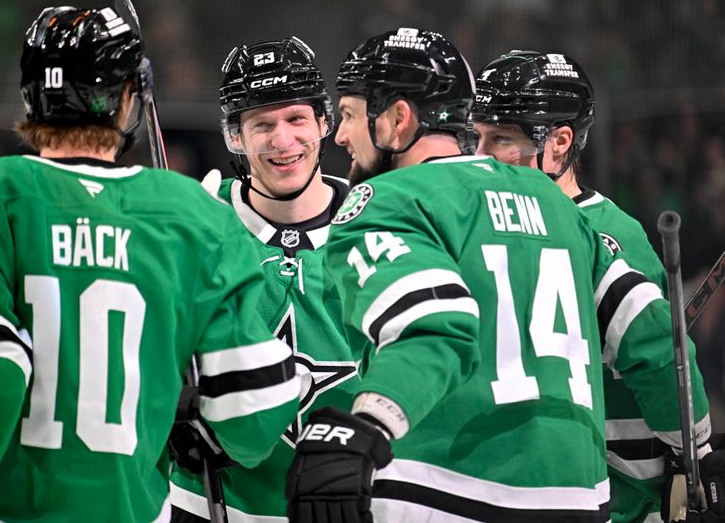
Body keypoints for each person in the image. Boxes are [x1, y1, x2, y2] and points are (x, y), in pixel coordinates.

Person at [284, 28, 713, 523]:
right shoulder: (555, 202)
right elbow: (654, 337)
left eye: (352, 115)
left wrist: (363, 431)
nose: (339, 135)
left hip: (441, 487)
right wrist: (697, 451)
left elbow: (433, 327)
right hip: (579, 496)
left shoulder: (385, 200)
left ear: (398, 120)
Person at [0, 7, 299, 522]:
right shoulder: (193, 212)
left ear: (32, 94)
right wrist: (201, 425)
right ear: (127, 99)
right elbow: (257, 406)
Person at [469, 50, 722, 523]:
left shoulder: (609, 234)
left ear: (561, 141)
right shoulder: (488, 222)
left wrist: (696, 450)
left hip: (613, 492)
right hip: (513, 480)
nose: (480, 158)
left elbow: (661, 358)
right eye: (476, 138)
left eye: (500, 139)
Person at [169, 37, 359, 522]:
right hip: (210, 505)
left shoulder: (379, 221)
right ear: (236, 136)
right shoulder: (197, 220)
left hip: (353, 504)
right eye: (261, 124)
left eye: (296, 119)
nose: (282, 140)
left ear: (324, 122)